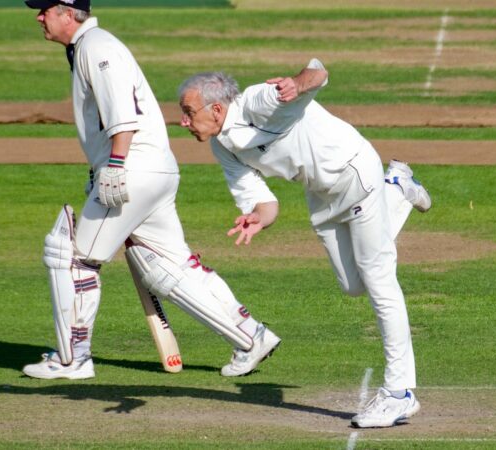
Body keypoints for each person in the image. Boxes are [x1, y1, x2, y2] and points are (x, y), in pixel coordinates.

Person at [21, 0, 280, 380]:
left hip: (133, 167)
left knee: (73, 257)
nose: (38, 16)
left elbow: (122, 110)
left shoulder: (96, 45)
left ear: (66, 10)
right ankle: (251, 336)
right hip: (153, 169)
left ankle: (73, 359)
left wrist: (114, 166)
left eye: (44, 9)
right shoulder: (90, 46)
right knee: (168, 267)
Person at [177, 59, 431, 428]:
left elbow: (319, 72)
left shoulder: (256, 102)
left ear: (216, 109)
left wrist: (298, 82)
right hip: (321, 196)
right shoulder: (223, 147)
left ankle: (399, 393)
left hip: (354, 172)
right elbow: (265, 203)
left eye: (188, 112)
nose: (183, 121)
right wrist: (258, 218)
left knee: (379, 282)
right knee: (353, 285)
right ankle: (396, 188)